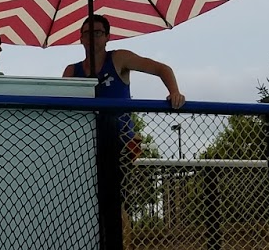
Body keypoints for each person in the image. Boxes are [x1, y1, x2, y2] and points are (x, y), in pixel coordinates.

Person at [62, 14, 185, 157]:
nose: (92, 37)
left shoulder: (119, 59)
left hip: (122, 141)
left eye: (97, 33)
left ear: (107, 37)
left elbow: (162, 69)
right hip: (83, 143)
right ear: (81, 38)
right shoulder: (71, 71)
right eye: (87, 33)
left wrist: (174, 92)